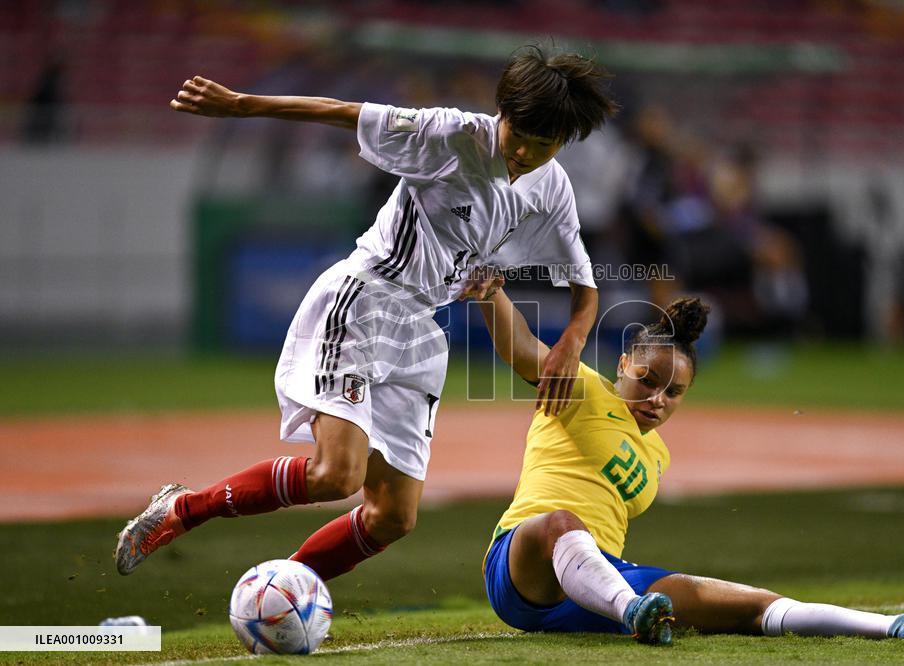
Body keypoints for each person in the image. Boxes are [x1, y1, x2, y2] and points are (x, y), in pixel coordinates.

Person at [114, 46, 617, 583]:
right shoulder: (451, 135)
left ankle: (282, 593)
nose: (522, 151)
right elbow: (343, 110)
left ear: (562, 143)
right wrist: (240, 105)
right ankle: (183, 510)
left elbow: (584, 287)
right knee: (336, 476)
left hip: (422, 331)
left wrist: (570, 344)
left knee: (392, 516)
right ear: (502, 113)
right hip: (365, 301)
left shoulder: (553, 187)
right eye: (516, 134)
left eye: (541, 146)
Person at [476, 288, 904, 645]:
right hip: (521, 567)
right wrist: (489, 292)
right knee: (562, 522)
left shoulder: (657, 456)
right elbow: (520, 347)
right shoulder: (584, 391)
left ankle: (897, 625)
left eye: (673, 392)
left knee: (750, 604)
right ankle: (633, 613)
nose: (657, 398)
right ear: (623, 364)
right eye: (648, 379)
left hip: (594, 585)